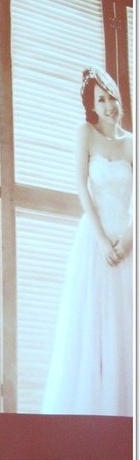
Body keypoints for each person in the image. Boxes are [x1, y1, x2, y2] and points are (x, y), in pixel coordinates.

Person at [43, 68, 133, 416]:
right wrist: (103, 241)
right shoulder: (86, 134)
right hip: (95, 240)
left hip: (128, 239)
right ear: (91, 106)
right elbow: (82, 187)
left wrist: (128, 240)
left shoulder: (133, 142)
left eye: (112, 97)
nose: (109, 105)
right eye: (101, 99)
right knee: (94, 323)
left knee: (126, 325)